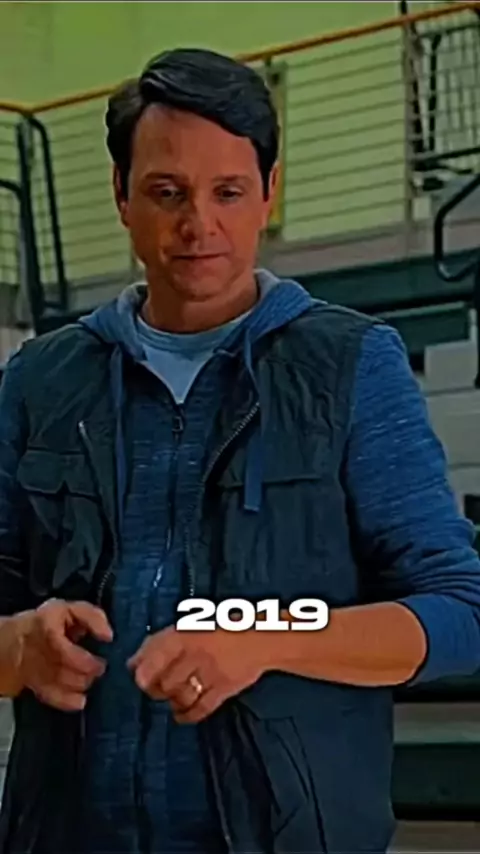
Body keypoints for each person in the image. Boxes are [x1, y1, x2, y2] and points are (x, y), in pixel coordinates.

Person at [0, 46, 479, 854]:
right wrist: (15, 649)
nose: (199, 225)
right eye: (167, 192)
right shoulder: (39, 378)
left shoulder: (353, 365)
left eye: (227, 191)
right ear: (120, 195)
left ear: (268, 191)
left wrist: (265, 640)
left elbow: (462, 610)